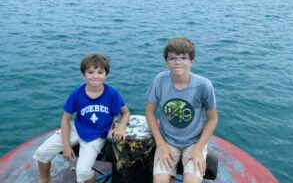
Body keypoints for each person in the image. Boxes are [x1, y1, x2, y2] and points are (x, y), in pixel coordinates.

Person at [33, 54, 130, 183]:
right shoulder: (77, 94)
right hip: (77, 128)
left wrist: (121, 127)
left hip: (96, 135)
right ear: (83, 75)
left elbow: (126, 113)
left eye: (100, 72)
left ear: (106, 75)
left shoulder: (112, 94)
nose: (95, 76)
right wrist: (66, 145)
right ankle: (45, 180)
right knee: (42, 153)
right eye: (90, 72)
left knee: (83, 172)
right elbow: (65, 119)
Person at [145, 37, 218, 183]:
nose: (178, 62)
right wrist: (160, 144)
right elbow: (149, 112)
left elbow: (213, 119)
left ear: (192, 61)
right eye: (172, 58)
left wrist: (198, 148)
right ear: (166, 61)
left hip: (194, 142)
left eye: (183, 57)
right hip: (167, 141)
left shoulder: (204, 85)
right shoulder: (160, 80)